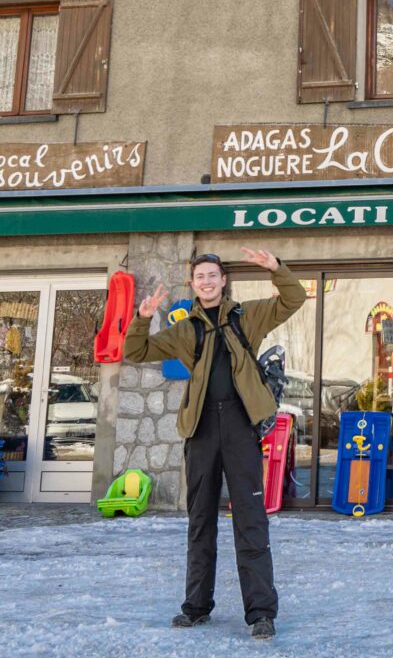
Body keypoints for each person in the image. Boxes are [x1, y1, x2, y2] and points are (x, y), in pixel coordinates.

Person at [123, 247, 307, 640]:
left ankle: (260, 613)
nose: (206, 281)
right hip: (202, 430)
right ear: (193, 284)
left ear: (223, 281)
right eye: (200, 276)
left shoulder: (248, 316)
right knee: (200, 521)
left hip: (240, 427)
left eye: (212, 275)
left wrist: (276, 268)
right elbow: (134, 351)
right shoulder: (184, 329)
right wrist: (142, 318)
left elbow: (294, 298)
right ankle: (196, 606)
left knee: (251, 521)